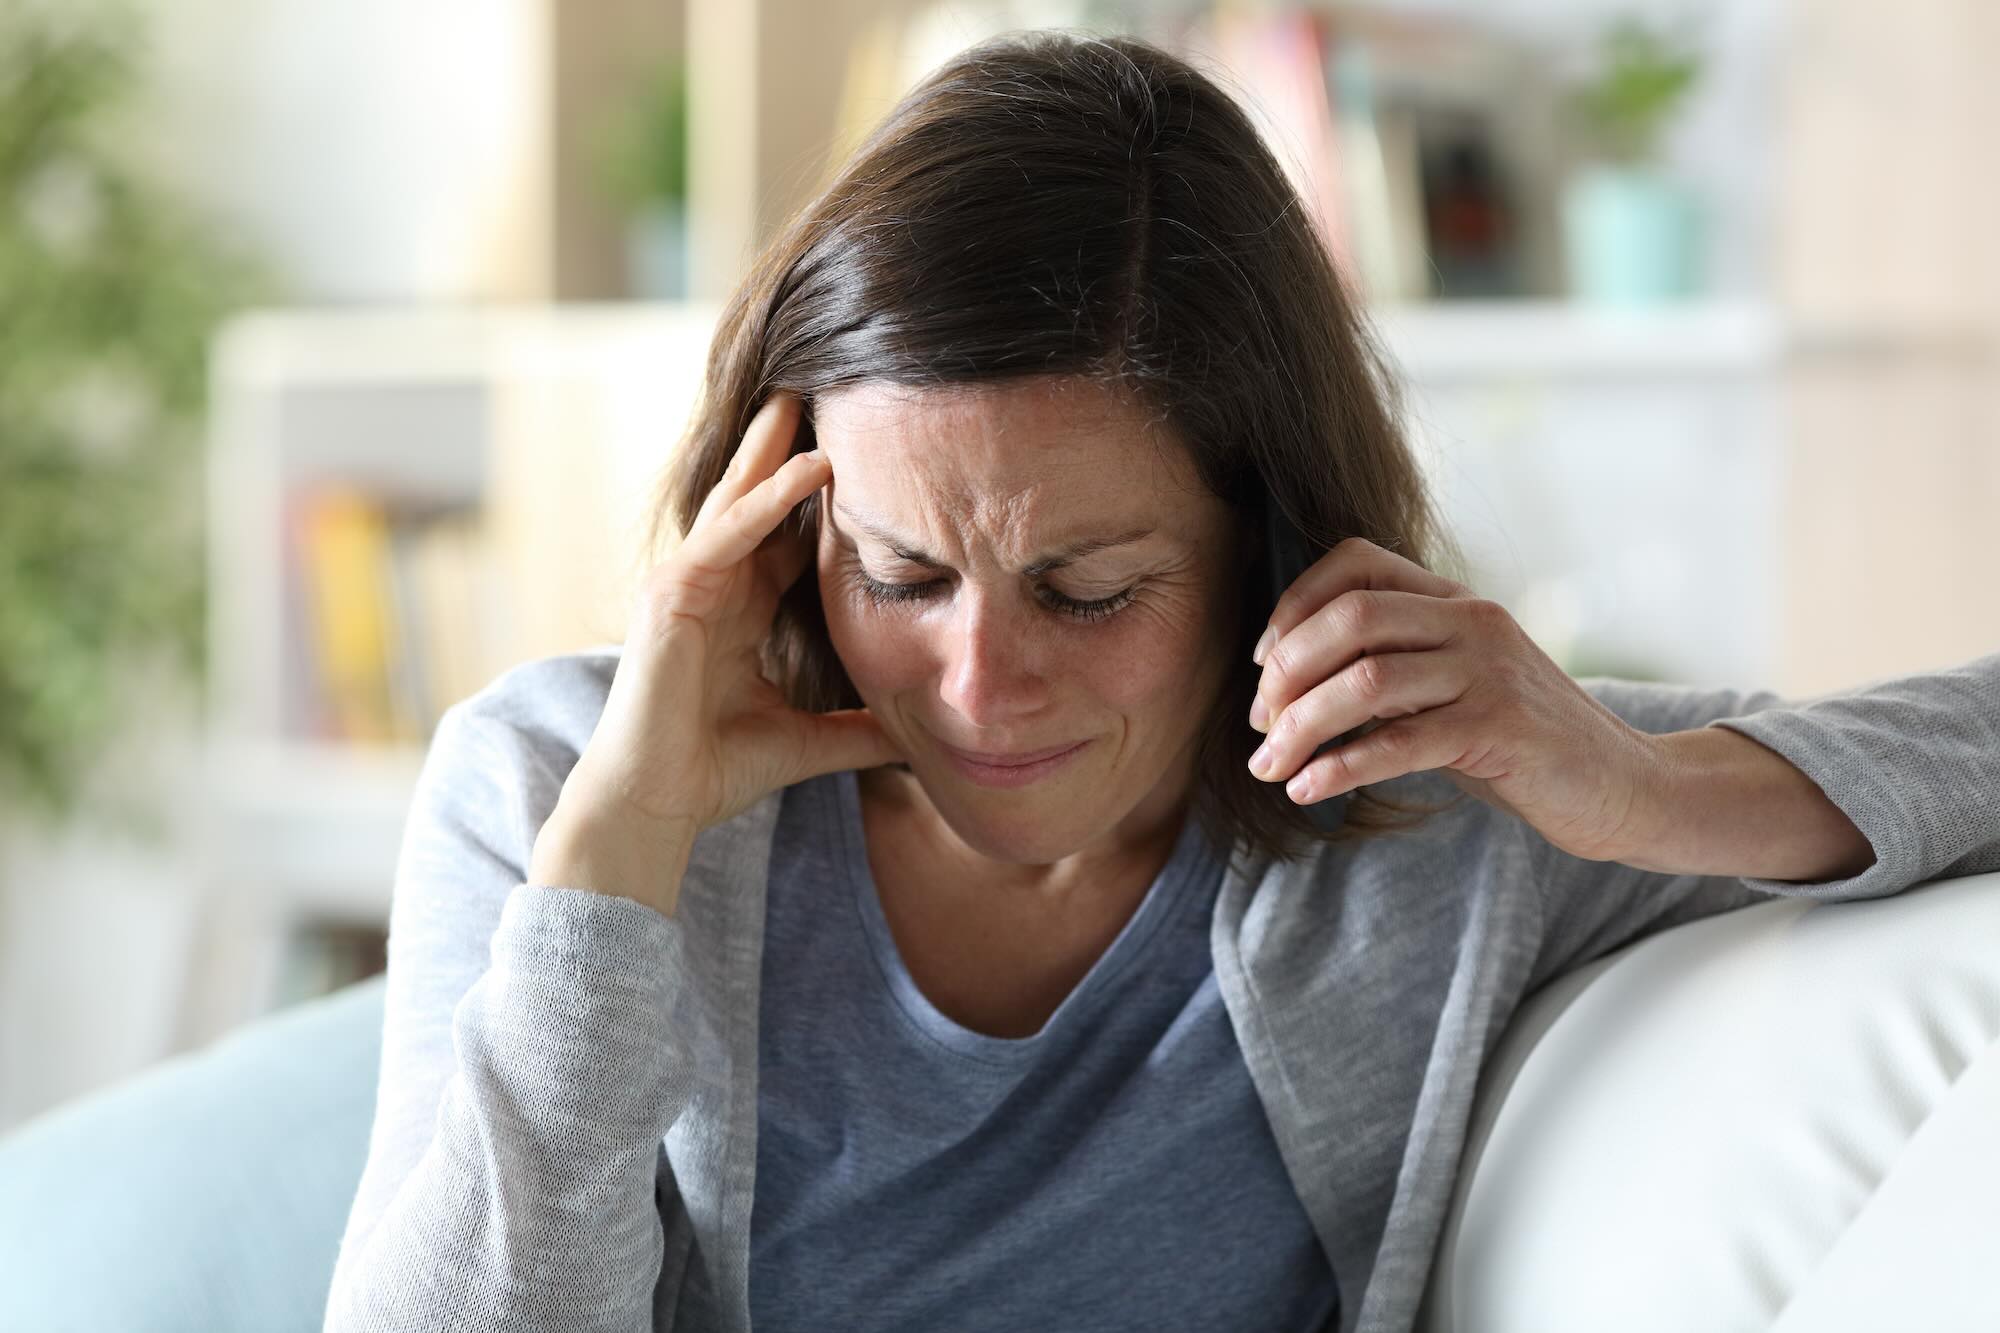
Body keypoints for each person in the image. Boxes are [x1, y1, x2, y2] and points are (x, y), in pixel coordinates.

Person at [321, 30, 2000, 1333]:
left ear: (1263, 549)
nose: (978, 682)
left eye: (1090, 591)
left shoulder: (1410, 805)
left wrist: (1637, 781)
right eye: (899, 574)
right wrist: (612, 872)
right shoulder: (561, 791)